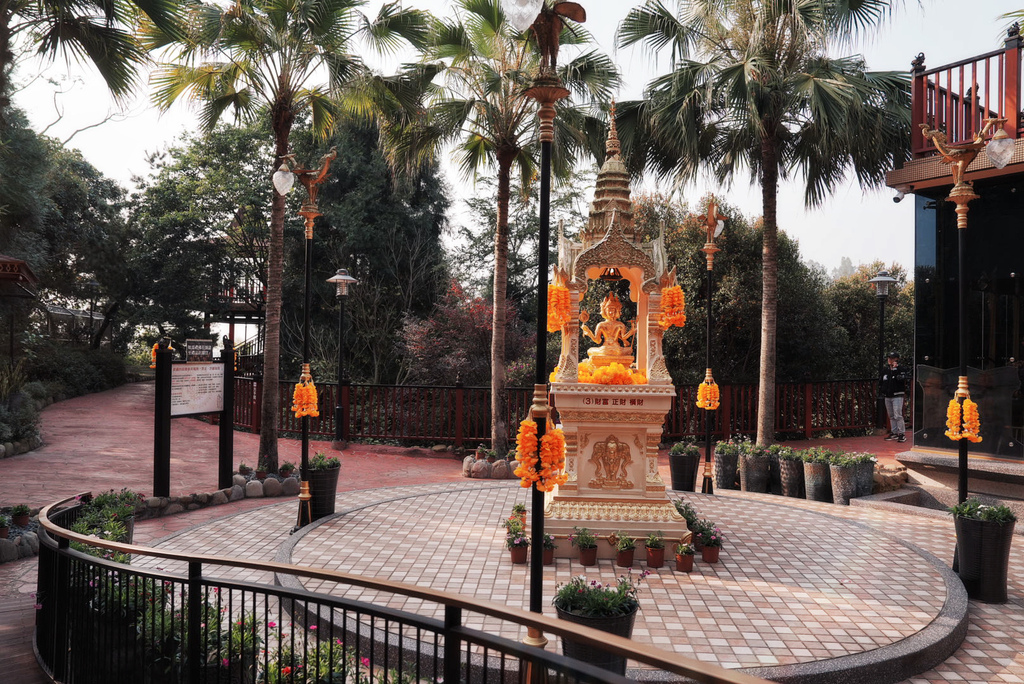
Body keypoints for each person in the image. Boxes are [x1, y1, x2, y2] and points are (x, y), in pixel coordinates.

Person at [880, 351, 908, 442]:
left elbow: (901, 379)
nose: (890, 360)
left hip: (897, 395)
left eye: (892, 358)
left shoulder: (901, 369)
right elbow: (881, 381)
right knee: (891, 415)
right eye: (889, 358)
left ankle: (902, 434)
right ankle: (894, 432)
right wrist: (882, 390)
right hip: (887, 395)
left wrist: (895, 370)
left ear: (897, 359)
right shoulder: (885, 370)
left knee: (898, 415)